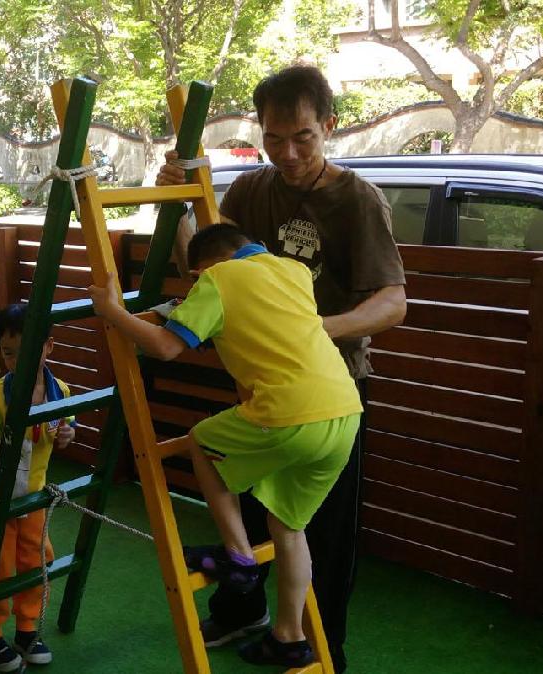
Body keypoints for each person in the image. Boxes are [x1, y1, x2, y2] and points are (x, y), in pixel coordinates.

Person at [156, 64, 406, 670]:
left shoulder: (357, 200)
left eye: (303, 137)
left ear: (329, 126)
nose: (287, 153)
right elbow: (203, 263)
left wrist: (317, 329)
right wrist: (176, 202)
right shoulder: (250, 191)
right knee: (243, 504)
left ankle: (323, 646)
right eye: (273, 138)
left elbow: (392, 303)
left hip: (333, 391)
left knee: (324, 530)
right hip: (262, 389)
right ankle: (242, 611)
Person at [90, 224, 362, 667]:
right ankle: (289, 636)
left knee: (201, 441)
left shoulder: (218, 279)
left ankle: (238, 556)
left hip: (289, 410)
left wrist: (111, 310)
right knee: (288, 527)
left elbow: (164, 346)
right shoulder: (293, 271)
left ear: (205, 269)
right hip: (344, 412)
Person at [0, 304, 76, 671]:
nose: (16, 360)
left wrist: (67, 434)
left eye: (26, 351)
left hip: (32, 497)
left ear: (48, 346)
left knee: (36, 560)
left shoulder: (60, 391)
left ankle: (27, 628)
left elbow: (65, 429)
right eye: (8, 352)